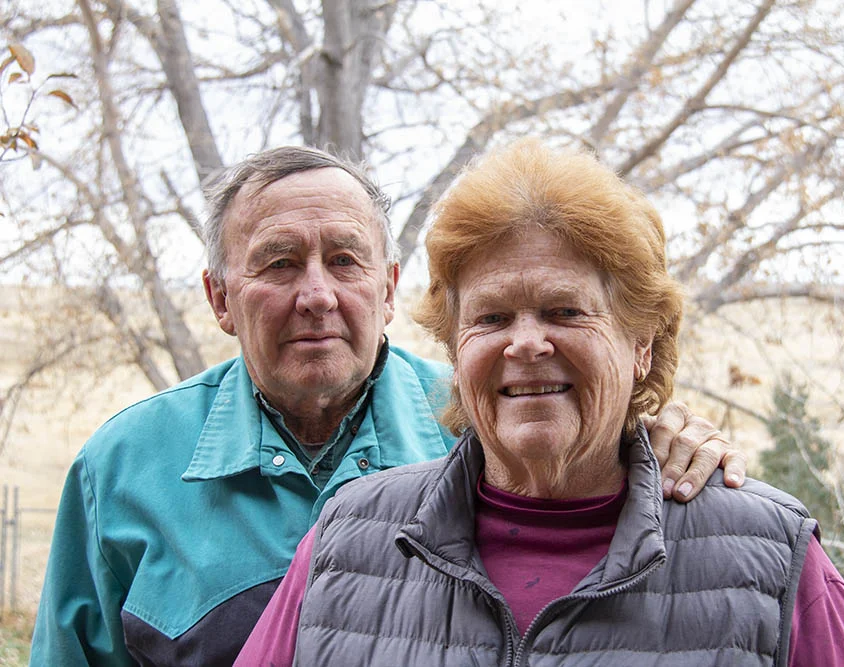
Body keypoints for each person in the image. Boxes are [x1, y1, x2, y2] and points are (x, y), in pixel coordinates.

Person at [29, 146, 746, 666]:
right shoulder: (123, 468)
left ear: (389, 287)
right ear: (219, 297)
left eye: (345, 260)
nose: (317, 295)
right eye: (279, 263)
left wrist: (655, 434)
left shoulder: (488, 421)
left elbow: (595, 456)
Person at [236, 139, 844, 666]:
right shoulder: (346, 541)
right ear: (455, 350)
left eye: (564, 310)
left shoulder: (768, 557)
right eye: (491, 317)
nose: (525, 343)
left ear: (641, 343)